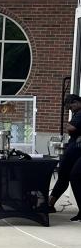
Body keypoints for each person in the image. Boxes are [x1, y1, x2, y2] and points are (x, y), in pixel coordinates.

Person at [48, 93, 81, 221]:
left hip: (77, 150)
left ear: (76, 102)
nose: (70, 110)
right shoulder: (76, 113)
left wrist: (70, 128)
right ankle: (50, 203)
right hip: (74, 149)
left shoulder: (79, 113)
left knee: (75, 176)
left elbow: (71, 127)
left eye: (70, 107)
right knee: (64, 176)